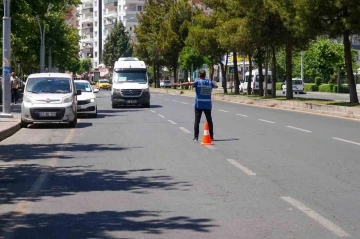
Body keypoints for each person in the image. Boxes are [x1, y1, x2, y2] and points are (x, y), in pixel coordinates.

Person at [174, 70, 218, 141]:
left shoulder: (198, 82)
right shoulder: (209, 83)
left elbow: (189, 83)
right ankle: (211, 136)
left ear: (199, 75)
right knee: (209, 121)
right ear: (205, 75)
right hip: (207, 105)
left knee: (197, 121)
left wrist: (180, 85)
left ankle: (196, 137)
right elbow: (216, 86)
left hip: (198, 105)